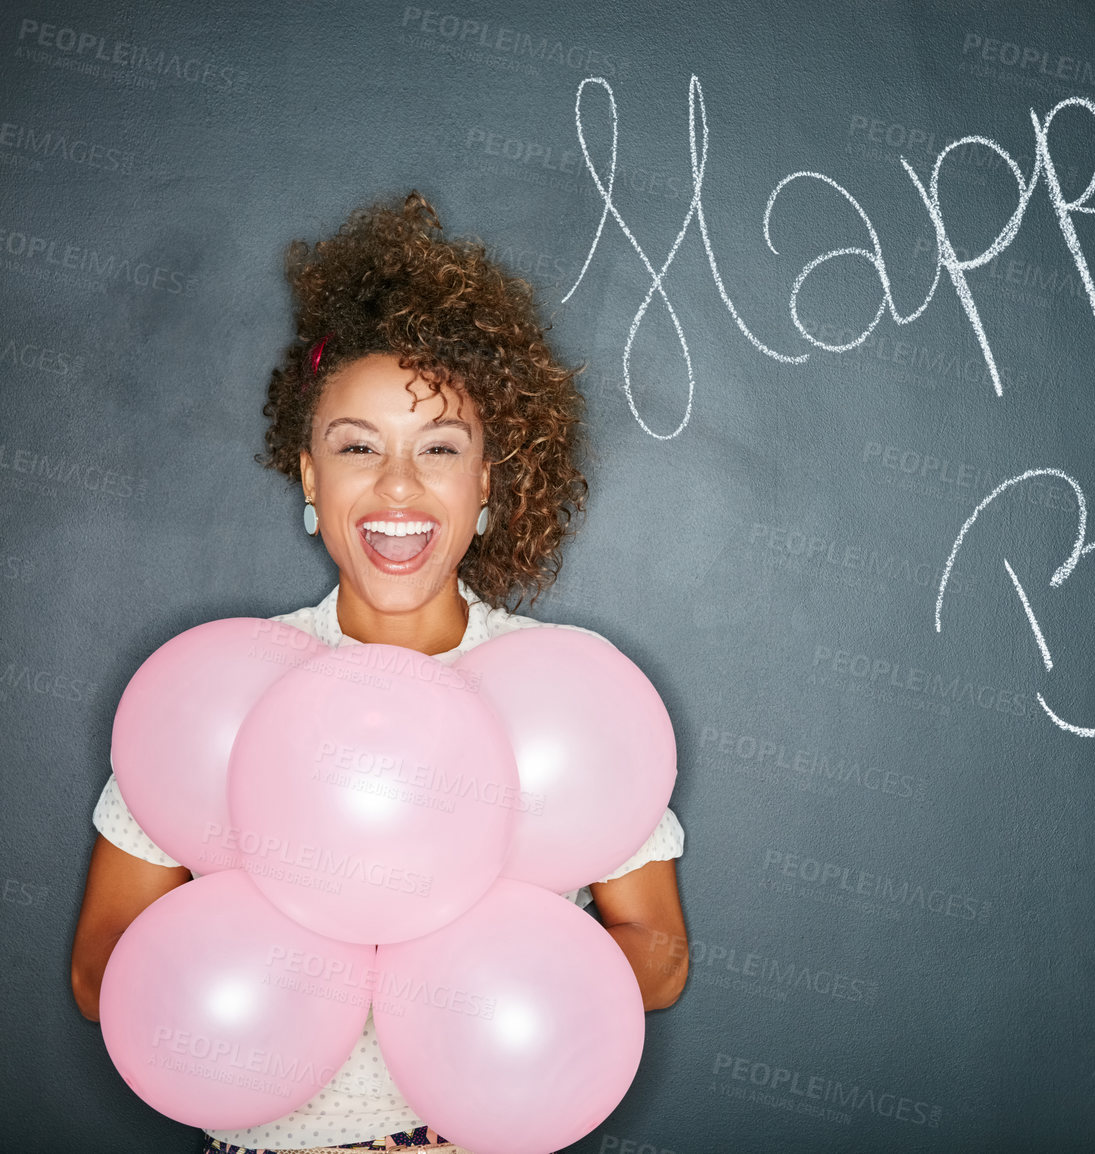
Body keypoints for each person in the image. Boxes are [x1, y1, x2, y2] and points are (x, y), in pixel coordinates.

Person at [67, 192, 689, 1154]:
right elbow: (97, 965)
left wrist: (448, 969)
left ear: (487, 483)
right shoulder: (222, 689)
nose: (397, 488)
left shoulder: (567, 694)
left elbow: (658, 953)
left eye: (439, 449)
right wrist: (312, 964)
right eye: (356, 448)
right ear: (311, 479)